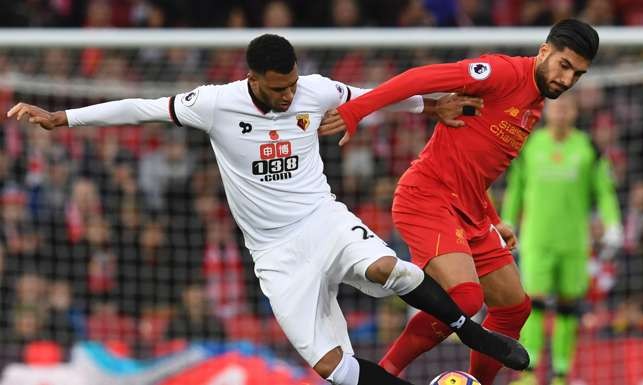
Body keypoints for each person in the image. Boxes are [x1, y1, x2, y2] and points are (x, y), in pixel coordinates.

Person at [7, 34, 527, 385]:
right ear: (253, 79)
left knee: (389, 268)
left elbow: (376, 95)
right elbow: (141, 109)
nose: (290, 94)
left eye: (293, 83)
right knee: (332, 368)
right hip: (273, 251)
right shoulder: (214, 103)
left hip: (323, 218)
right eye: (279, 89)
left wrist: (432, 106)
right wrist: (63, 118)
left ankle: (472, 331)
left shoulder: (314, 90)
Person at [319, 19, 599, 385]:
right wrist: (358, 110)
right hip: (426, 196)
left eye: (577, 75)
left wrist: (495, 218)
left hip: (470, 209)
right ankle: (380, 375)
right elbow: (420, 78)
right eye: (564, 66)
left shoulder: (536, 104)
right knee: (465, 299)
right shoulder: (502, 73)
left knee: (514, 307)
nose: (566, 79)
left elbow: (474, 168)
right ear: (545, 51)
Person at [503, 94, 622, 385]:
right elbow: (516, 188)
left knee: (569, 305)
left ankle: (561, 374)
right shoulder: (531, 145)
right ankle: (529, 371)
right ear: (547, 111)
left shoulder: (588, 148)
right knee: (536, 302)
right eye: (556, 107)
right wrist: (506, 220)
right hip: (537, 239)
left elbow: (604, 191)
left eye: (567, 108)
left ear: (575, 112)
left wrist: (613, 223)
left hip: (574, 242)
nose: (561, 113)